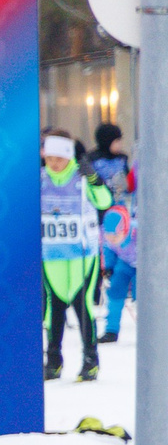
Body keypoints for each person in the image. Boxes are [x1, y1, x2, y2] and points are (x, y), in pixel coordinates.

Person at [39, 131, 110, 382]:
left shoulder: (82, 180)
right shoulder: (40, 180)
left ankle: (90, 360)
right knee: (54, 308)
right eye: (50, 158)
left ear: (69, 157)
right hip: (51, 255)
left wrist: (94, 178)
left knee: (83, 307)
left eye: (59, 158)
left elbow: (104, 201)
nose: (54, 163)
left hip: (82, 255)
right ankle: (53, 361)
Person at [91, 122, 137, 342]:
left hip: (123, 215)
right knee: (116, 288)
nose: (119, 145)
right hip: (104, 215)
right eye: (116, 140)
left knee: (140, 294)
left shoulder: (123, 160)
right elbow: (108, 246)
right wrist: (107, 266)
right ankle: (111, 329)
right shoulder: (93, 160)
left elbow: (130, 184)